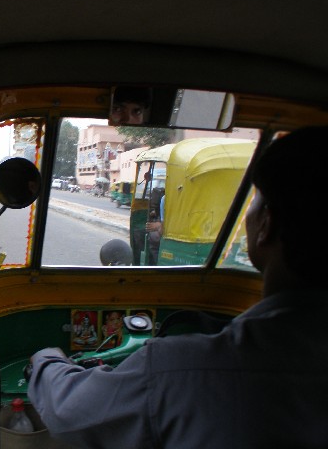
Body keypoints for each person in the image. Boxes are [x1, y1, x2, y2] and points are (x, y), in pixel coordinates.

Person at [27, 126, 328, 448]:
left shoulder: (183, 369)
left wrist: (45, 361)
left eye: (253, 203)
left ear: (266, 224)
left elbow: (69, 411)